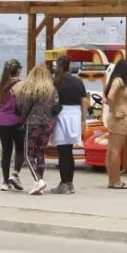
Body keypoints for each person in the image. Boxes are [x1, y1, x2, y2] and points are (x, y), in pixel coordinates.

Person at [12, 64, 57, 195]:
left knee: (28, 154)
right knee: (40, 153)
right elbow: (55, 107)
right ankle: (39, 182)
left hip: (33, 123)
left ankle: (38, 180)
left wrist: (22, 119)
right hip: (48, 124)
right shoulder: (52, 89)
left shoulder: (31, 89)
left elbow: (23, 106)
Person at [50, 57, 90, 195]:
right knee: (70, 151)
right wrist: (83, 120)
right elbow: (85, 101)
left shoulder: (56, 82)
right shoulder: (78, 81)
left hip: (61, 114)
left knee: (63, 151)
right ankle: (70, 183)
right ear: (69, 66)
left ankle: (64, 183)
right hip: (75, 115)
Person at [0, 59, 26, 191]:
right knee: (20, 150)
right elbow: (25, 104)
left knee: (6, 152)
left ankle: (5, 182)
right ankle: (15, 175)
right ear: (18, 70)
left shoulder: (1, 86)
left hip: (2, 121)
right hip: (16, 121)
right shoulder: (21, 85)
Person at [103, 59, 127, 189]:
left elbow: (106, 97)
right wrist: (115, 111)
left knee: (111, 150)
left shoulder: (114, 80)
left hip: (116, 118)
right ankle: (116, 181)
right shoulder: (119, 81)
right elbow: (109, 96)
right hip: (119, 119)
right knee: (115, 151)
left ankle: (112, 179)